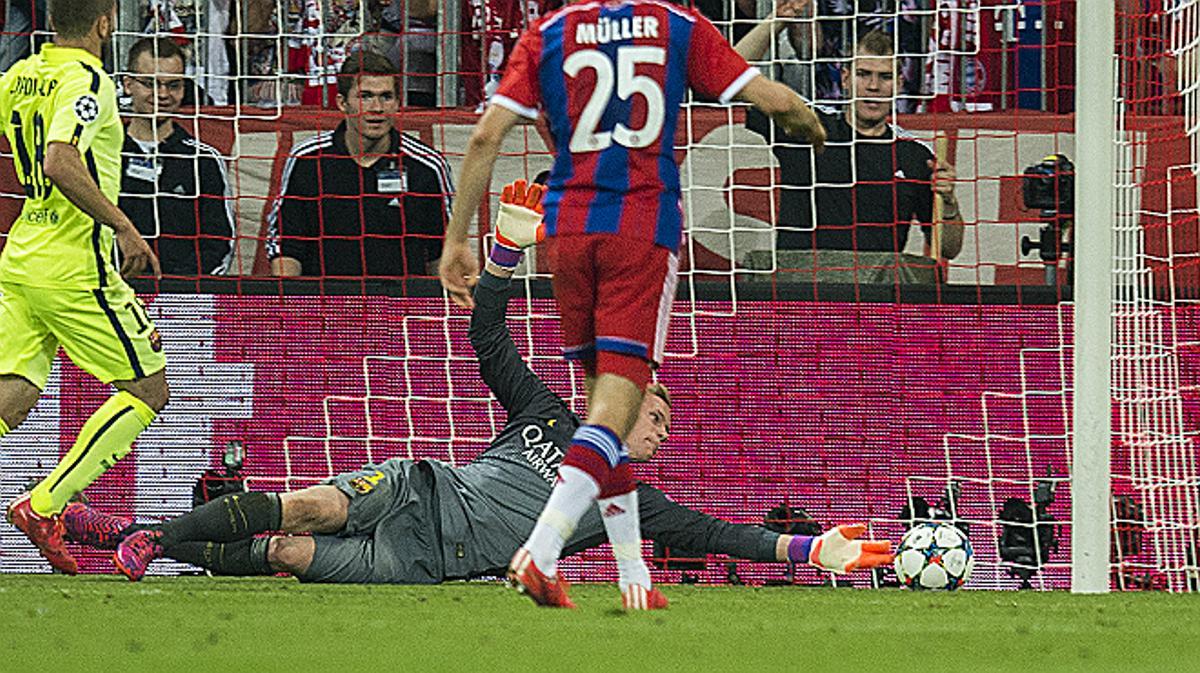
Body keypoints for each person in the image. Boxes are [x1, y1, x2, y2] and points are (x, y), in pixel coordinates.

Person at [82, 205, 889, 585]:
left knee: (289, 554)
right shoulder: (546, 414)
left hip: (427, 559)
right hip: (416, 487)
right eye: (658, 413)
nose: (662, 432)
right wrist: (504, 252)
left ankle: (130, 531)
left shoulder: (627, 498)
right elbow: (488, 337)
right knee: (307, 508)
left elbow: (723, 534)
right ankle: (150, 538)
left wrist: (809, 549)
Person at [439, 0, 826, 610]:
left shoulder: (547, 31)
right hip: (639, 231)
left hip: (565, 233)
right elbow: (767, 97)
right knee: (616, 408)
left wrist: (457, 238)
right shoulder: (674, 24)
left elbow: (487, 134)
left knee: (606, 414)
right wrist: (808, 121)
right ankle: (538, 556)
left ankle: (632, 577)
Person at [0, 0, 168, 576]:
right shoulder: (86, 79)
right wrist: (122, 224)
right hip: (74, 265)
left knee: (14, 395)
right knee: (148, 389)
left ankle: (42, 505)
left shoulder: (21, 74)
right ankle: (43, 507)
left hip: (21, 253)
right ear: (104, 22)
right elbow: (59, 160)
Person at [737, 6, 965, 284]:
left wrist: (950, 203)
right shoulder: (807, 127)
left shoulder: (914, 155)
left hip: (877, 307)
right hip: (802, 296)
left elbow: (949, 248)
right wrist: (779, 19)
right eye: (863, 74)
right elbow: (732, 77)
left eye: (884, 77)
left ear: (899, 83)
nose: (873, 86)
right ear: (845, 78)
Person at [265, 49, 454, 278]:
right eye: (365, 96)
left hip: (401, 307)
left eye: (386, 97)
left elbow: (443, 253)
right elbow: (286, 246)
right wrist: (292, 307)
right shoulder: (306, 160)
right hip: (324, 305)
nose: (377, 108)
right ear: (342, 103)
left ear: (397, 104)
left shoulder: (427, 167)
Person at [119, 36, 236, 277]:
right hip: (110, 293)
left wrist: (179, 286)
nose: (163, 94)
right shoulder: (102, 154)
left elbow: (220, 242)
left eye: (173, 85)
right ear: (128, 84)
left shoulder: (204, 160)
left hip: (184, 299)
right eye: (151, 83)